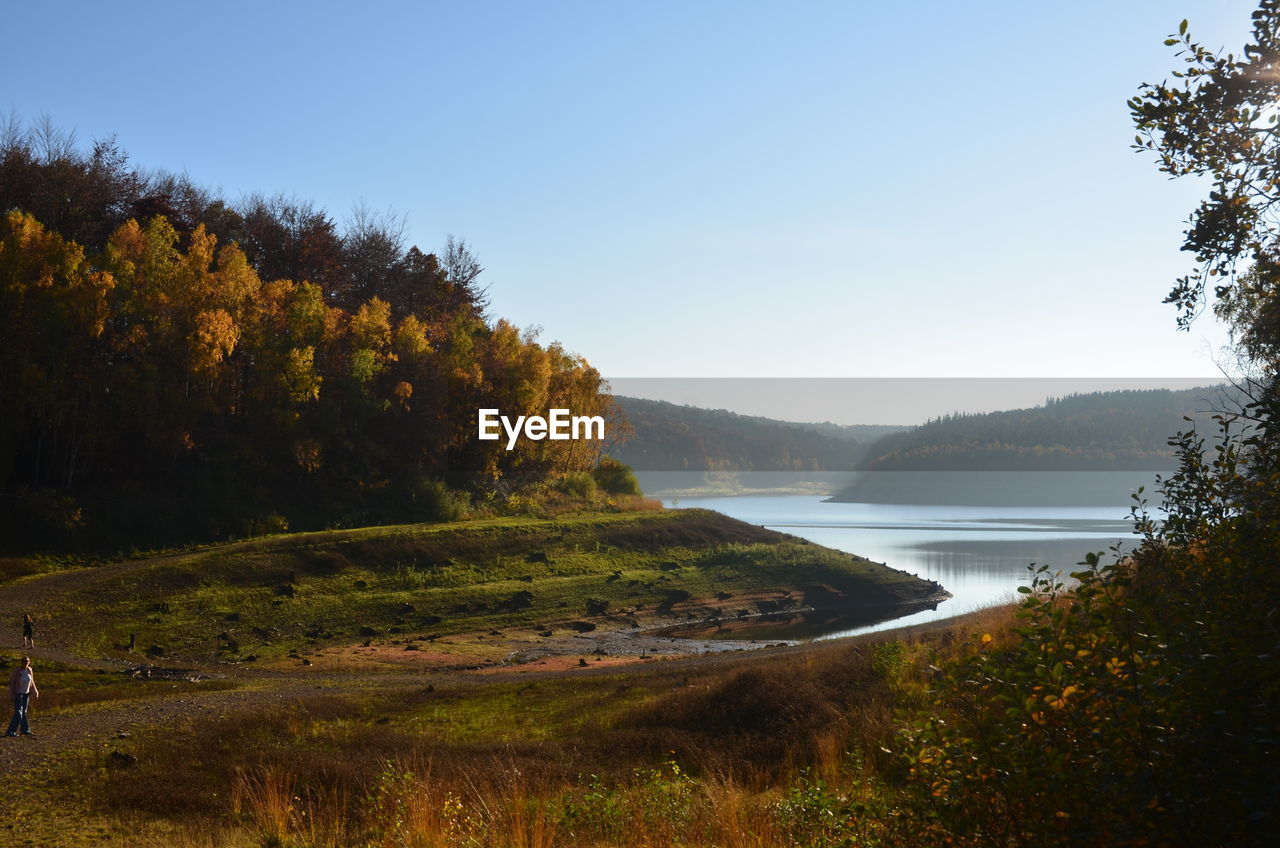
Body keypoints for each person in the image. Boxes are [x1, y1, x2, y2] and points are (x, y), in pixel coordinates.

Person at [6, 656, 39, 737]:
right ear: (21, 662)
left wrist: (35, 690)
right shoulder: (17, 671)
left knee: (24, 712)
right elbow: (12, 683)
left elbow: (32, 681)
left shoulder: (29, 670)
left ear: (29, 662)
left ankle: (25, 730)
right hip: (18, 694)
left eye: (27, 661)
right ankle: (10, 732)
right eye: (24, 661)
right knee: (18, 713)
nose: (25, 662)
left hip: (26, 694)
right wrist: (11, 694)